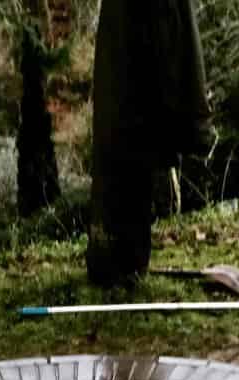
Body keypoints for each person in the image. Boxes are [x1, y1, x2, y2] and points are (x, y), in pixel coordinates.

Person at [87, 0, 213, 287]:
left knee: (129, 169)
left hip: (134, 92)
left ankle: (124, 264)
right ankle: (118, 263)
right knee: (123, 170)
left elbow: (179, 41)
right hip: (129, 92)